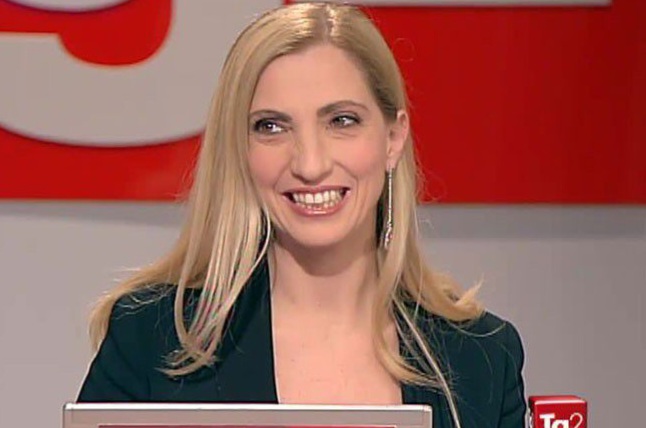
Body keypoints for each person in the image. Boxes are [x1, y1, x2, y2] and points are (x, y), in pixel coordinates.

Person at [77, 3, 526, 428]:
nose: (310, 164)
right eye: (271, 127)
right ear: (240, 150)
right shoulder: (152, 341)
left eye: (341, 121)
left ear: (393, 138)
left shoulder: (481, 358)